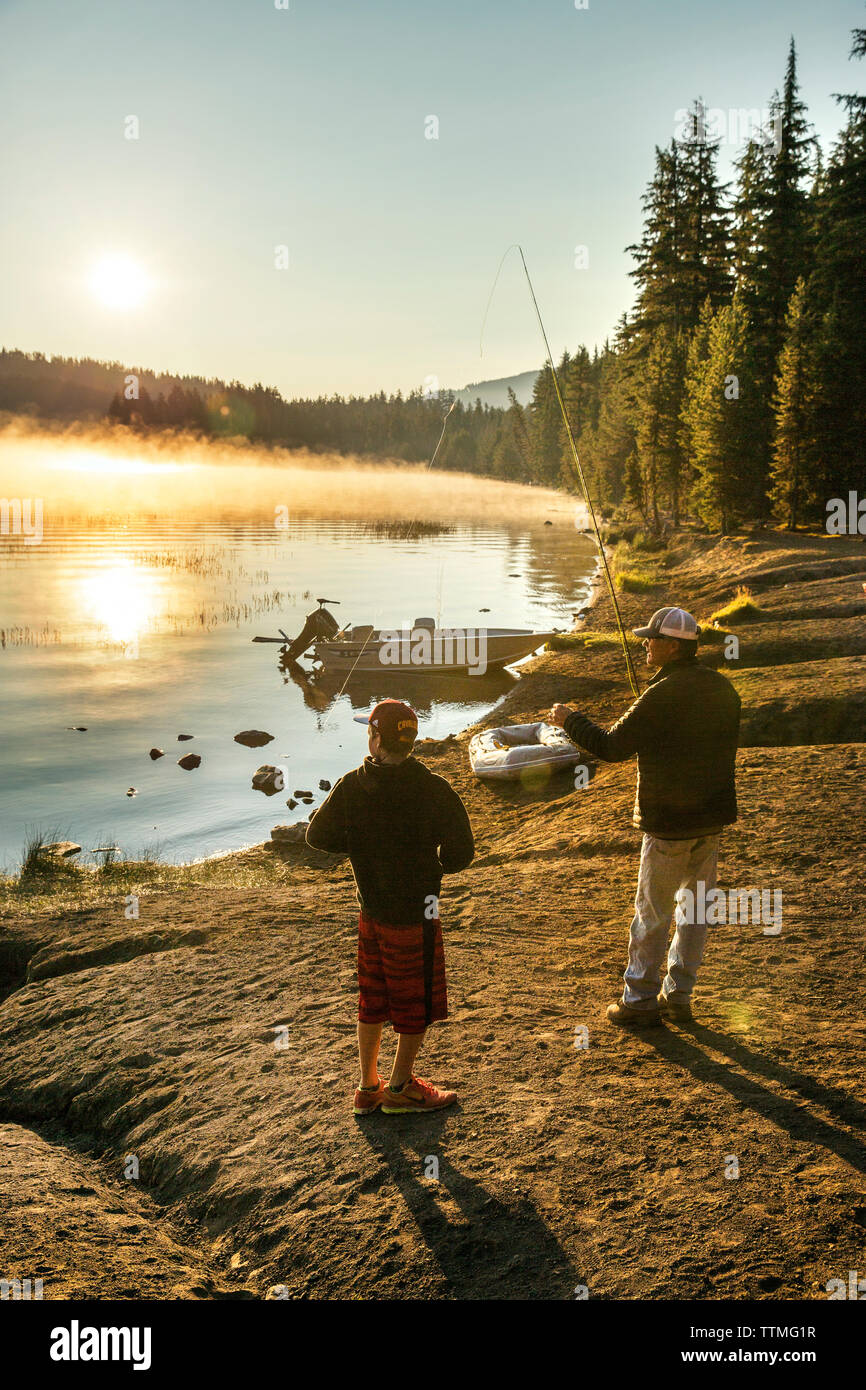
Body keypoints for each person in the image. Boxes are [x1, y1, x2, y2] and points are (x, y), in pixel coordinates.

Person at [549, 606, 741, 1027]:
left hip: (670, 823)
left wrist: (569, 720)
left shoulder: (662, 693)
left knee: (652, 913)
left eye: (651, 639)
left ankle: (638, 1000)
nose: (645, 645)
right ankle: (679, 996)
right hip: (711, 819)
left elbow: (612, 747)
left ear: (672, 646)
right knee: (695, 911)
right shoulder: (722, 687)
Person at [305, 698, 475, 1112]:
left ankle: (368, 1088)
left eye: (370, 730)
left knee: (373, 997)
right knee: (414, 1000)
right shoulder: (434, 788)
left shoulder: (352, 784)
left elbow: (316, 836)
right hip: (417, 912)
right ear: (410, 742)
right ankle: (399, 1090)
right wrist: (433, 864)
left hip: (373, 911)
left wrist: (361, 845)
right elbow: (461, 854)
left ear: (376, 739)